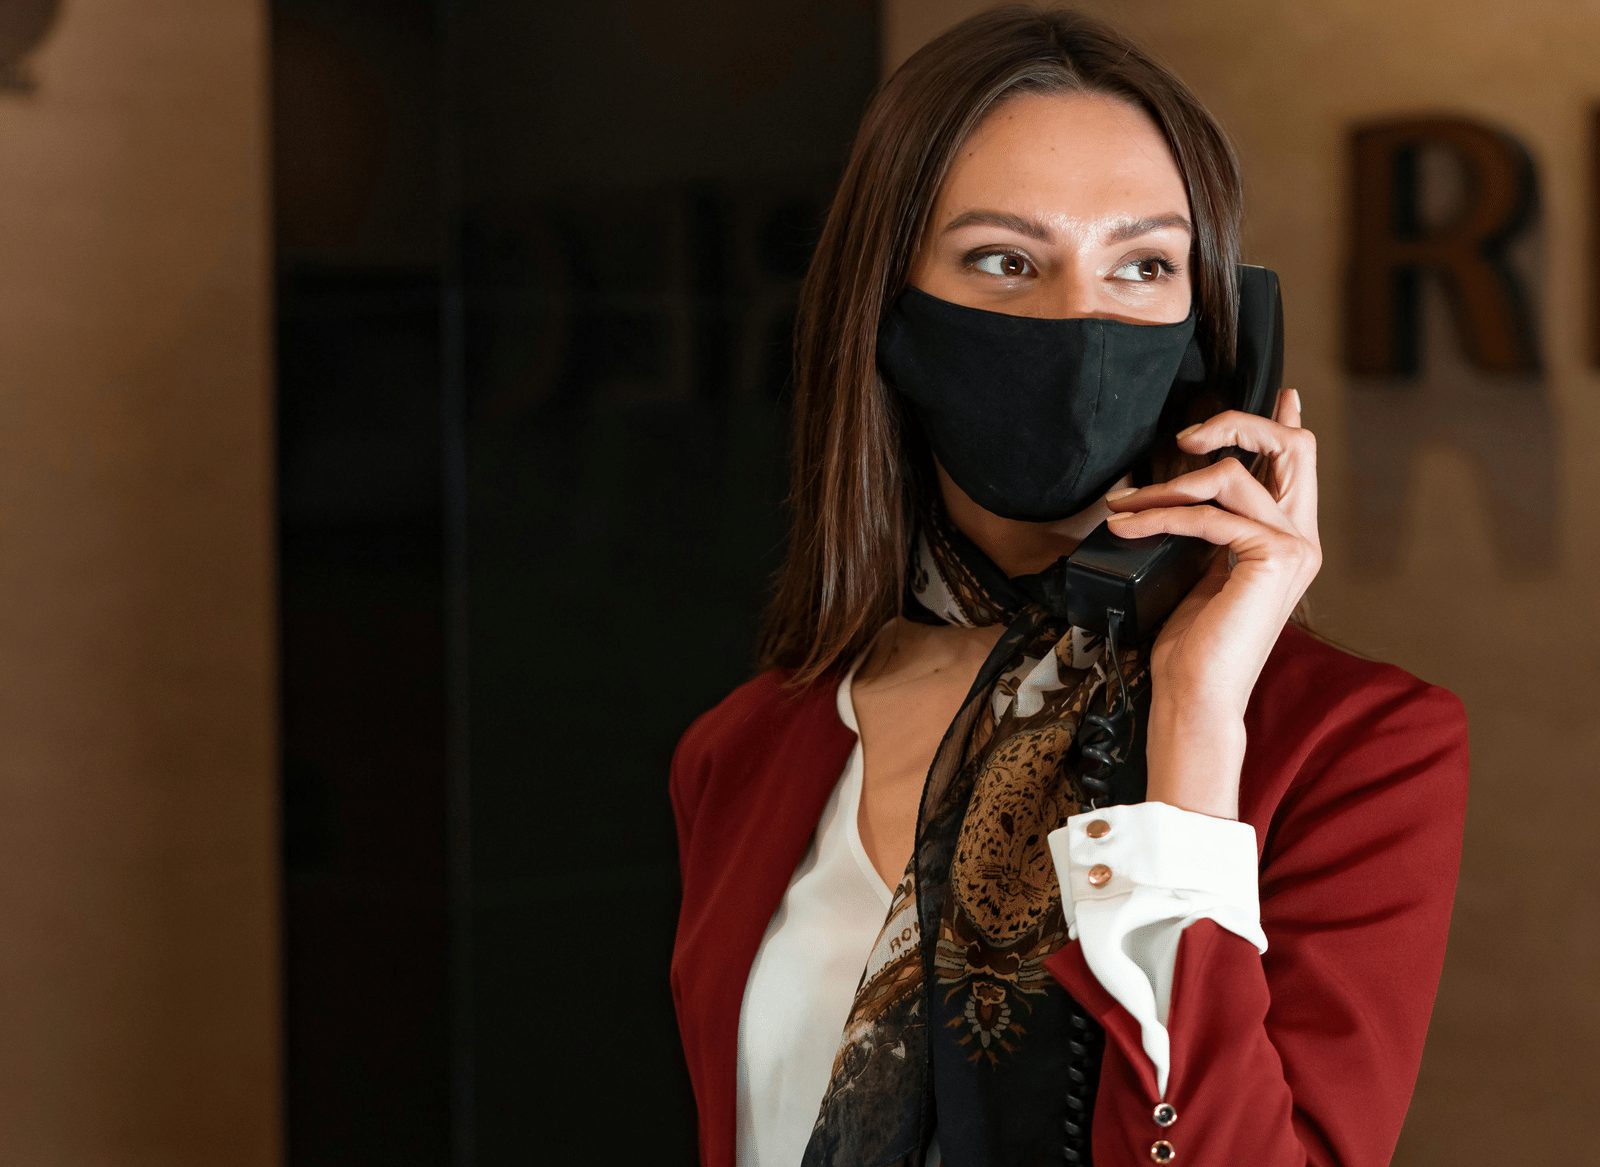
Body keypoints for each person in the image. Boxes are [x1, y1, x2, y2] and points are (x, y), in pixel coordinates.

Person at [670, 8, 1468, 1167]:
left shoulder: (1357, 745)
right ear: (886, 313)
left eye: (1142, 265)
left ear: (1215, 332)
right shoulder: (746, 749)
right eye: (1004, 261)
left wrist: (1194, 724)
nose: (1080, 321)